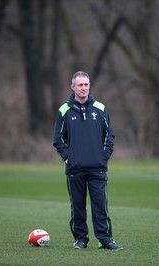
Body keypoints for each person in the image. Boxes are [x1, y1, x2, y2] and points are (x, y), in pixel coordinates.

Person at [53, 71, 123, 250]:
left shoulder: (100, 108)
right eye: (80, 85)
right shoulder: (64, 110)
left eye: (86, 85)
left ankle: (105, 239)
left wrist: (103, 155)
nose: (83, 88)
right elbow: (58, 139)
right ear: (73, 87)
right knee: (77, 207)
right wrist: (69, 158)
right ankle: (80, 239)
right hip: (75, 169)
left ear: (89, 86)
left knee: (100, 206)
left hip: (97, 168)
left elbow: (109, 134)